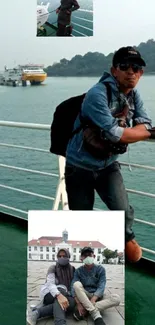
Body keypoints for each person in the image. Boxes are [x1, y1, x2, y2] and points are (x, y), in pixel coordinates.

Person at [65, 46, 153, 263]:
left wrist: (139, 131)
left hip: (108, 165)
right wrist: (146, 132)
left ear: (141, 72)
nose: (131, 71)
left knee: (123, 211)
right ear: (114, 70)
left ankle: (125, 241)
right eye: (124, 66)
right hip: (79, 167)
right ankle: (83, 260)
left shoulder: (133, 95)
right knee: (81, 217)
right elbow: (116, 134)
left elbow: (145, 122)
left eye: (137, 67)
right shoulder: (98, 94)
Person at [71, 247, 120, 325]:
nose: (87, 257)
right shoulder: (78, 271)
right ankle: (96, 315)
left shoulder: (100, 269)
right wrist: (78, 303)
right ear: (81, 258)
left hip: (97, 296)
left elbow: (102, 285)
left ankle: (85, 310)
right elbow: (73, 287)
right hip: (85, 295)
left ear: (94, 256)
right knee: (76, 284)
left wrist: (94, 298)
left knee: (116, 299)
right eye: (85, 255)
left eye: (89, 255)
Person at [27, 248, 75, 325]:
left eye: (64, 256)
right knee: (61, 289)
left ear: (68, 256)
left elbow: (72, 285)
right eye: (59, 256)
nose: (61, 258)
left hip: (65, 294)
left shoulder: (72, 269)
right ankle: (60, 322)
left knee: (71, 303)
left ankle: (37, 313)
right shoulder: (53, 268)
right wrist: (58, 295)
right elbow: (50, 284)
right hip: (49, 294)